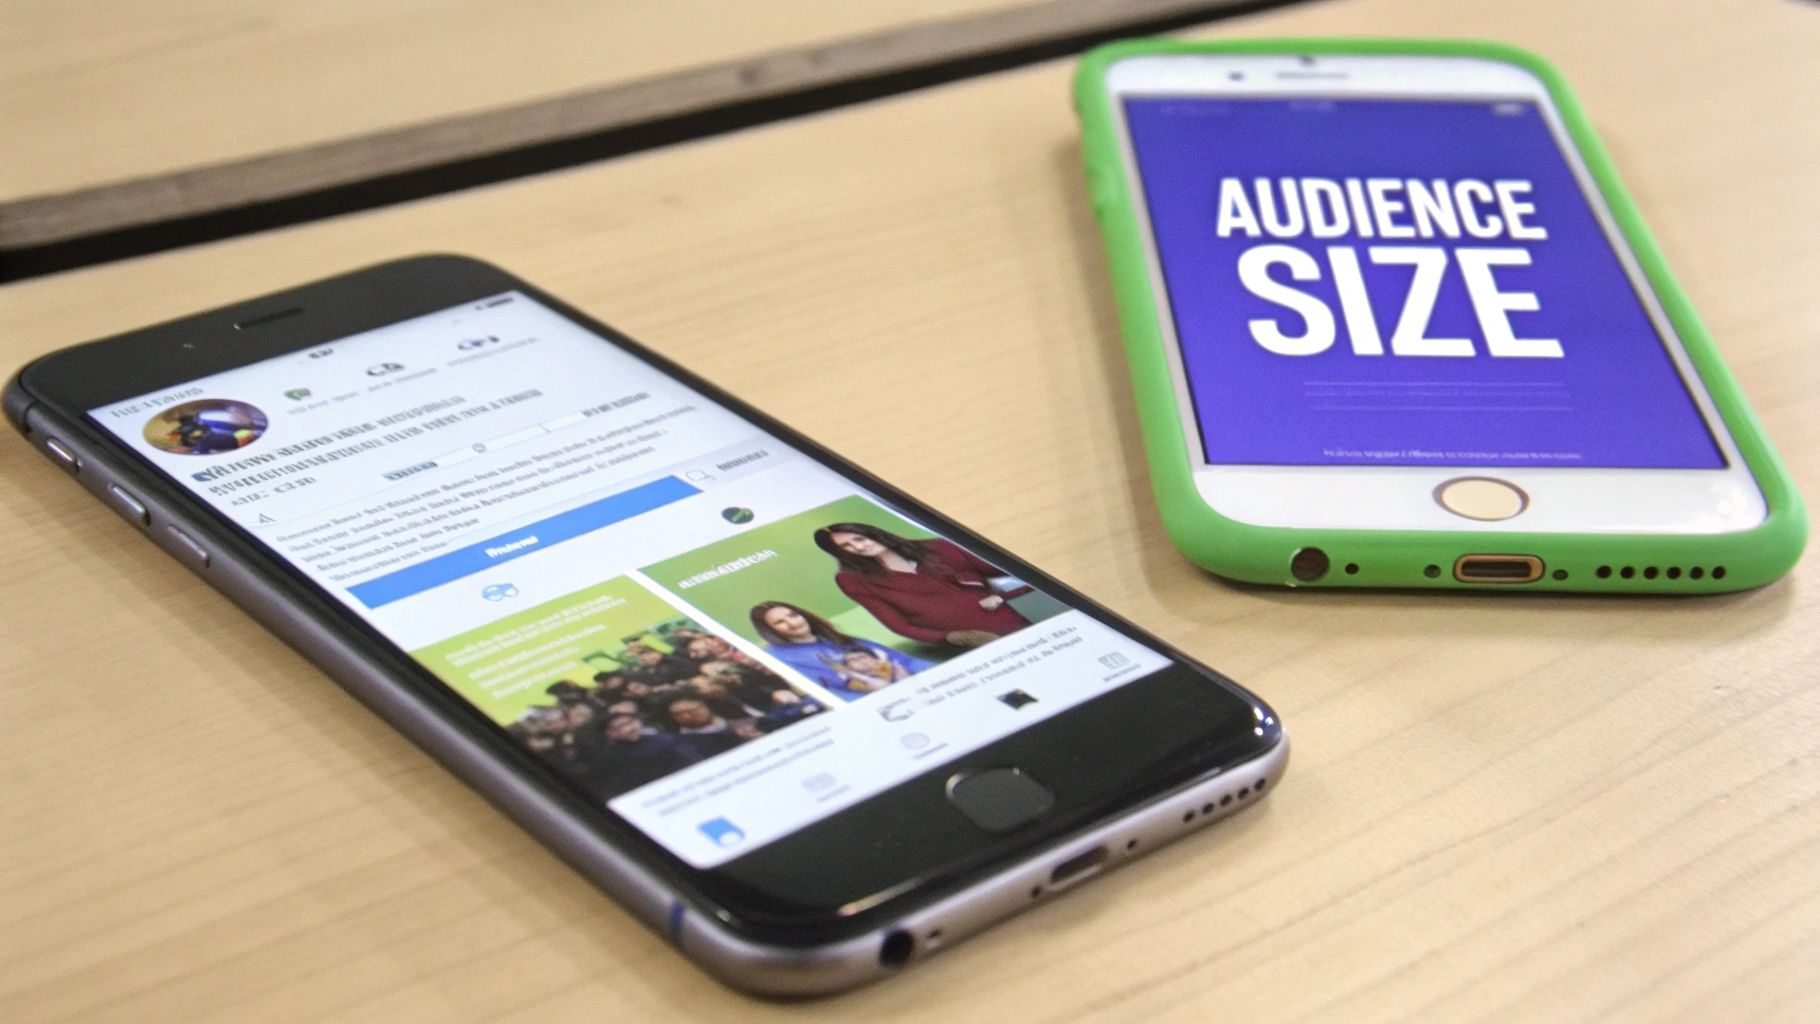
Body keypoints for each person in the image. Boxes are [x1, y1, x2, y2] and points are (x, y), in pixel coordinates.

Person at [813, 522, 1032, 647]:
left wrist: (1003, 597)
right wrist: (950, 638)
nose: (859, 547)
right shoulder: (851, 580)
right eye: (847, 546)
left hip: (1011, 624)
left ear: (873, 534)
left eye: (859, 539)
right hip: (964, 643)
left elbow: (1024, 574)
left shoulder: (940, 548)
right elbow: (899, 625)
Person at [749, 600, 933, 699]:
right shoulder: (778, 657)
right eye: (780, 622)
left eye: (793, 615)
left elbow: (905, 661)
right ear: (770, 630)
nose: (792, 623)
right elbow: (825, 695)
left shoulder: (839, 640)